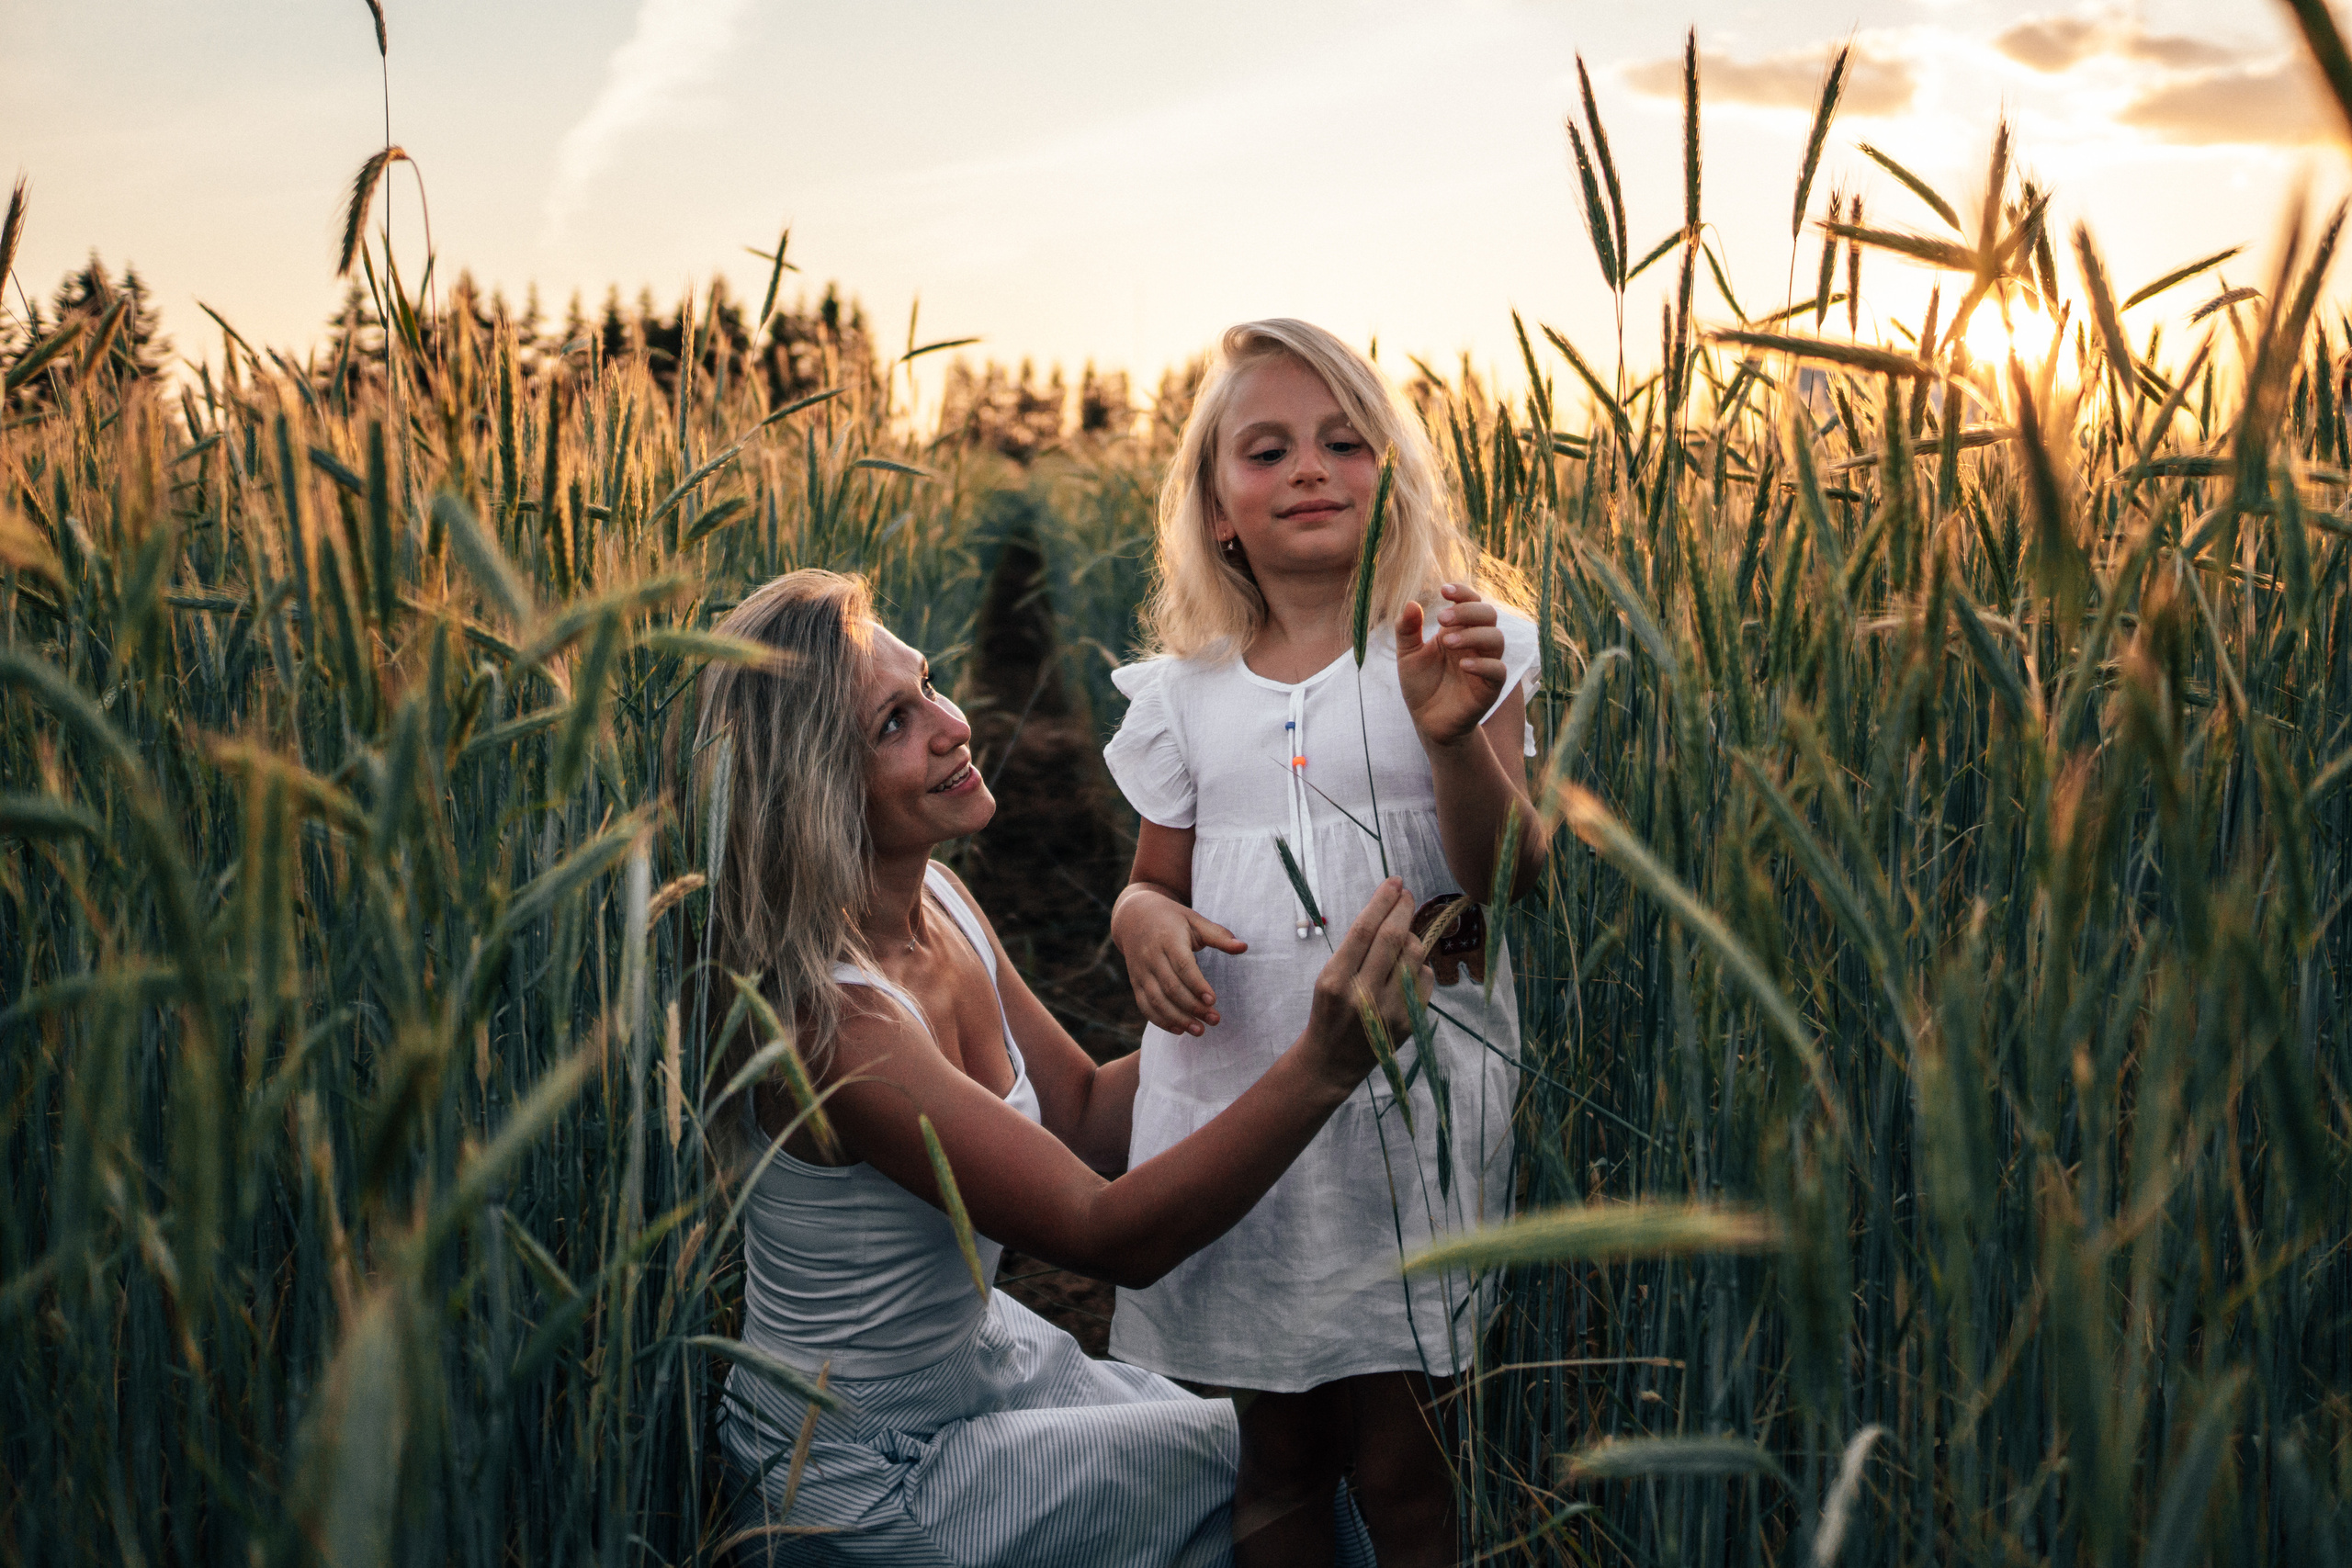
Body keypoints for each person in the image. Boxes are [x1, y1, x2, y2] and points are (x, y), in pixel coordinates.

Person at [695, 568, 1432, 1567]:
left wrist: (1276, 1007)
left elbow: (1083, 1111)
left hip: (983, 1369)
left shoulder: (943, 902)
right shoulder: (832, 1030)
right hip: (863, 1471)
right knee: (1273, 1464)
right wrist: (1317, 1069)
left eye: (931, 688)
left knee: (1287, 1453)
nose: (952, 725)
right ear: (813, 791)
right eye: (894, 725)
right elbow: (1105, 1235)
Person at [1103, 320, 1549, 1567]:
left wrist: (1451, 735)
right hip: (1240, 1107)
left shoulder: (1460, 642)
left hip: (1416, 1115)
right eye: (1268, 448)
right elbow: (1152, 881)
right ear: (1215, 509)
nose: (1312, 466)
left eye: (1346, 440)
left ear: (1394, 472)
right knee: (1280, 1454)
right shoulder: (1182, 695)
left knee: (1408, 1459)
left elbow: (1508, 874)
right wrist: (1142, 918)